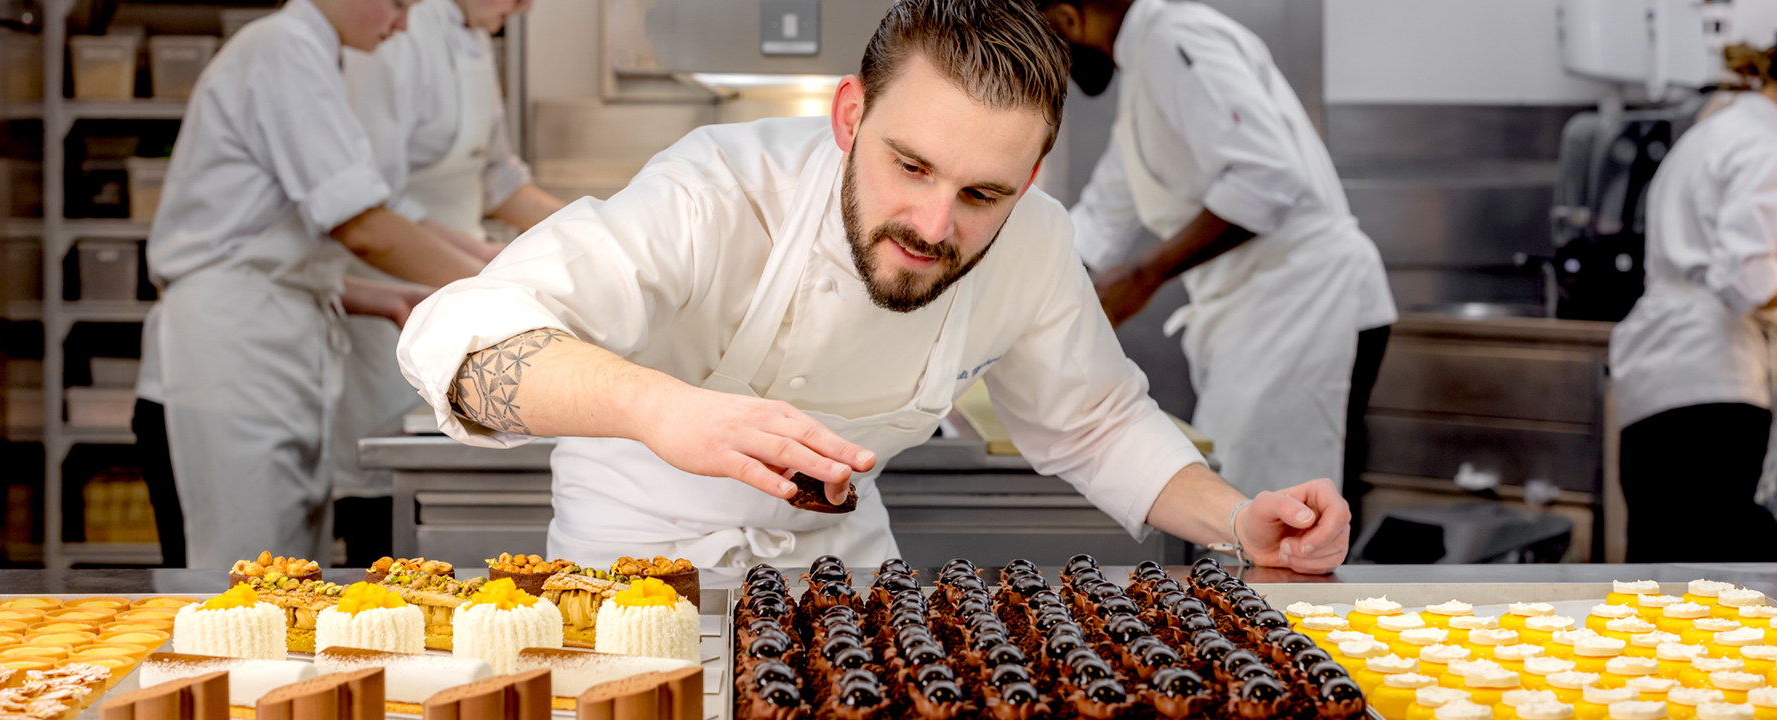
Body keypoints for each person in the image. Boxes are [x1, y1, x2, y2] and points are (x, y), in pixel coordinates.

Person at [398, 0, 1352, 573]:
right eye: (911, 167)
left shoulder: (1034, 242)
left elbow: (1095, 422)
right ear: (849, 117)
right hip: (634, 582)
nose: (936, 227)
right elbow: (463, 336)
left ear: (1029, 179)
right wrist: (664, 411)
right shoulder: (719, 192)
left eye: (982, 193)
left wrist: (1237, 520)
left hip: (843, 584)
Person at [132, 0, 487, 570]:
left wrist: (386, 297)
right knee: (242, 587)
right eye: (397, 5)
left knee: (290, 578)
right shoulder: (283, 48)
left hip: (270, 347)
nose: (403, 24)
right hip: (228, 356)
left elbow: (270, 245)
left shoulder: (317, 55)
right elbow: (364, 225)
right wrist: (495, 291)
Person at [1035, 0, 1397, 506]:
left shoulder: (1173, 39)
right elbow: (1104, 212)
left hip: (1303, 303)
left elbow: (1267, 178)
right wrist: (1018, 291)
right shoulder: (1146, 69)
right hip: (1265, 315)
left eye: (1044, 34)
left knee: (1261, 514)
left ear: (1070, 18)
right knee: (1242, 514)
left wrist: (1144, 275)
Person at [328, 0, 566, 561]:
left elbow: (499, 180)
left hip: (466, 288)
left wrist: (605, 233)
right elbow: (379, 208)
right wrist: (493, 276)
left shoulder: (475, 36)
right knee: (386, 487)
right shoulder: (397, 32)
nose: (527, 7)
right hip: (403, 287)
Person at [1608, 43, 1777, 562]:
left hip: (1662, 372)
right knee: (1711, 577)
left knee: (1662, 569)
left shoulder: (1717, 131)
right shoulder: (1762, 142)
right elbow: (1748, 280)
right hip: (1713, 378)